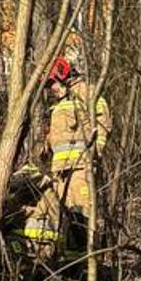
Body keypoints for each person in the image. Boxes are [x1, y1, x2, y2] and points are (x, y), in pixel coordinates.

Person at [43, 57, 111, 226]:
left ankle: (89, 251)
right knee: (65, 220)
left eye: (52, 83)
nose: (51, 89)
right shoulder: (58, 105)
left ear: (62, 76)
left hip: (81, 168)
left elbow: (104, 121)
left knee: (82, 218)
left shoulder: (85, 92)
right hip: (60, 172)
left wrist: (98, 149)